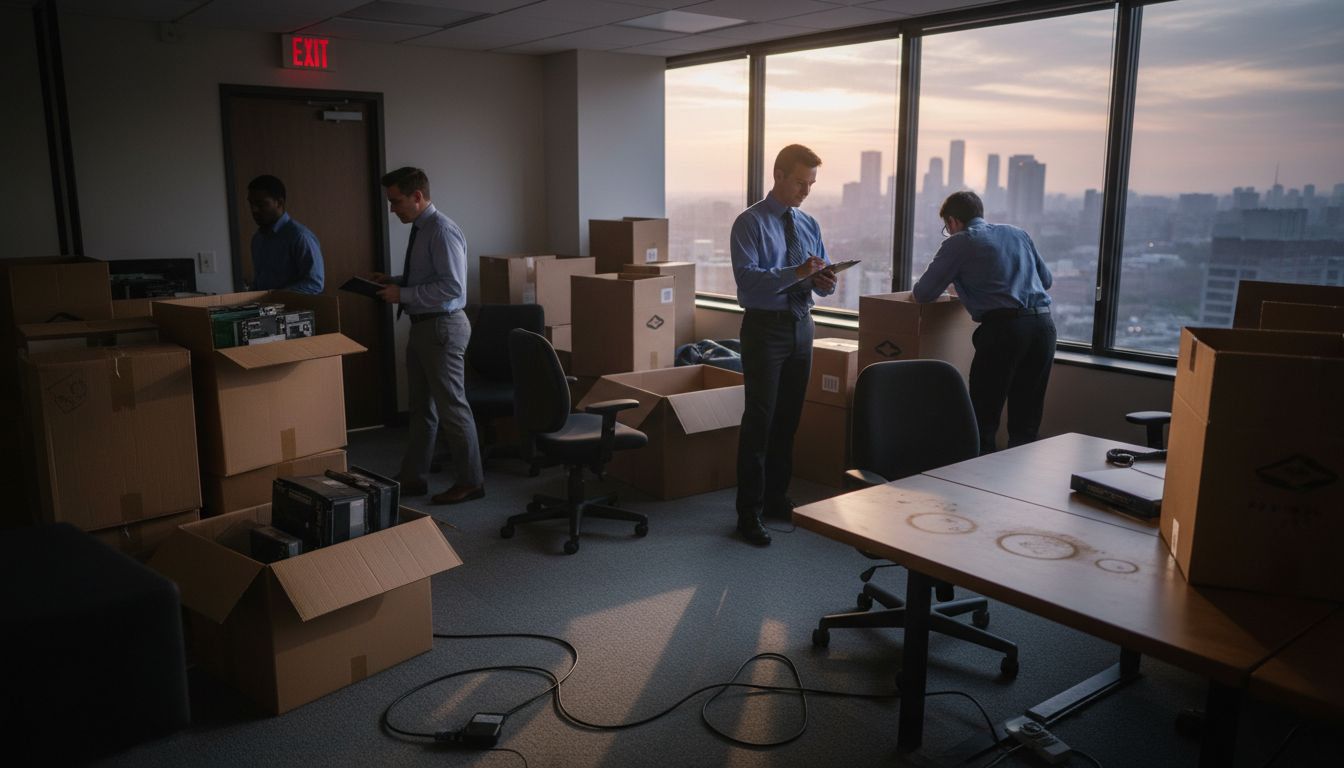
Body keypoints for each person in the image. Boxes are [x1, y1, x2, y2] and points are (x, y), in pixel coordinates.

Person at [729, 144, 838, 546]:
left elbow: (819, 274)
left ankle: (776, 498)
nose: (805, 191)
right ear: (778, 175)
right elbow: (748, 280)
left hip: (801, 324)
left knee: (789, 420)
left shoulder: (809, 223)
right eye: (799, 182)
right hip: (764, 328)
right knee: (760, 420)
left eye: (811, 184)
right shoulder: (749, 222)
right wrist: (797, 271)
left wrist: (826, 281)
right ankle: (748, 512)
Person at [371, 166, 484, 505]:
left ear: (417, 197)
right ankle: (414, 477)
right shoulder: (422, 228)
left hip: (442, 327)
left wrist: (402, 295)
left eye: (396, 202)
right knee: (421, 408)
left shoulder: (441, 231)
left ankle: (471, 482)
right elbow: (429, 277)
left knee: (452, 407)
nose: (393, 209)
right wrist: (395, 280)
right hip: (424, 326)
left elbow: (452, 287)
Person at [912, 190, 1056, 455]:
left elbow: (923, 293)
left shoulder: (959, 242)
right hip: (1043, 328)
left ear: (953, 221)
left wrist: (959, 281)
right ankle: (1019, 488)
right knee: (1026, 418)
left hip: (1004, 331)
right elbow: (1045, 281)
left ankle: (978, 483)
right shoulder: (1018, 233)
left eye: (947, 228)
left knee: (983, 415)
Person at [246, 175, 324, 293]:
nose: (254, 210)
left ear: (279, 203)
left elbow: (314, 284)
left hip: (295, 308)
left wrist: (274, 296)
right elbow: (259, 283)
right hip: (265, 308)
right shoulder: (257, 239)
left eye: (261, 204)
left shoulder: (300, 237)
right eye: (251, 204)